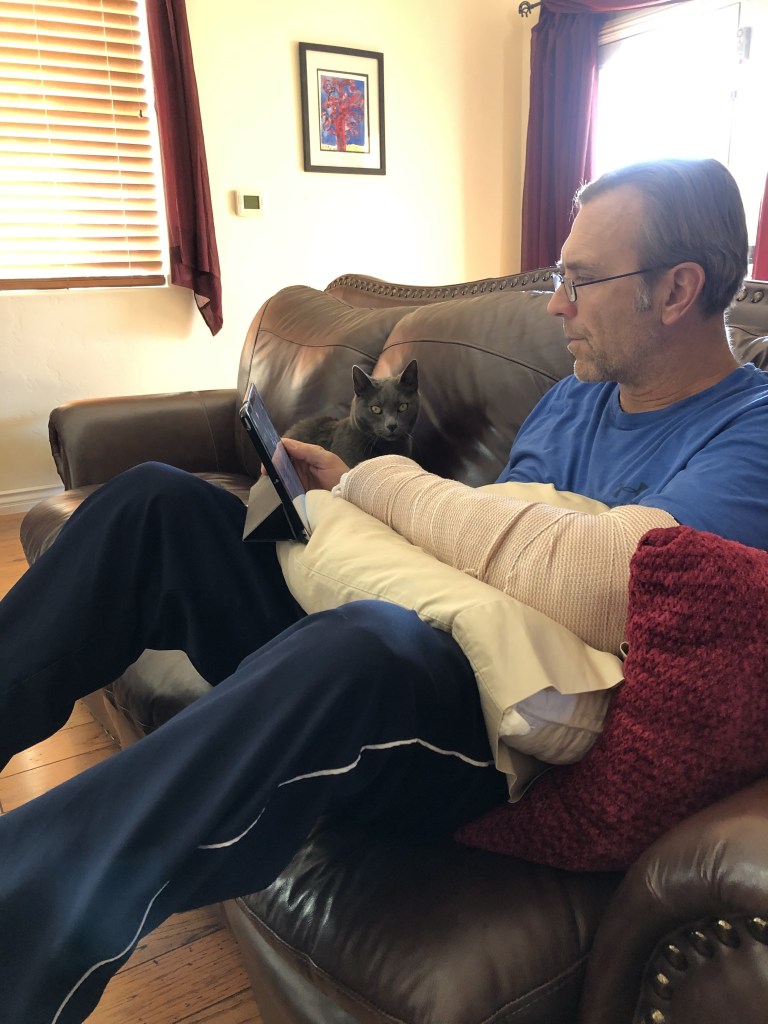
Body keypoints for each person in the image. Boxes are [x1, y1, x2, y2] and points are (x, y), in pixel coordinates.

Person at [1, 157, 767, 1024]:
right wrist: (347, 493)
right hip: (433, 628)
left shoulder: (754, 430)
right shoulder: (570, 400)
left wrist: (382, 486)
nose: (557, 305)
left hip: (507, 720)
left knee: (361, 641)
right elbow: (486, 545)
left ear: (677, 290)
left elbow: (601, 583)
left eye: (580, 280)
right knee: (156, 504)